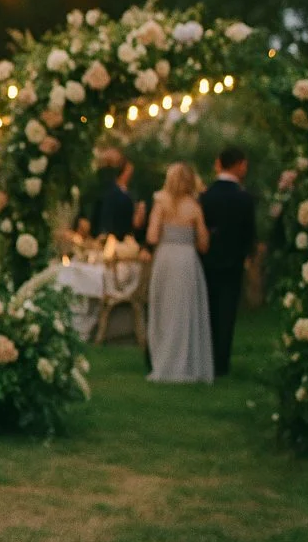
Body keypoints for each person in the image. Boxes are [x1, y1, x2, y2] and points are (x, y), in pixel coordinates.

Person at [146, 162, 214, 383]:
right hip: (186, 260)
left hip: (166, 258)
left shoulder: (160, 203)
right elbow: (204, 244)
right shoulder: (195, 207)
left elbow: (152, 237)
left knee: (164, 310)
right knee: (185, 311)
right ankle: (185, 362)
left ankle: (164, 361)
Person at [199, 147, 257, 377]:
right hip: (233, 263)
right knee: (227, 312)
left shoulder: (206, 196)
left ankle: (207, 357)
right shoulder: (244, 198)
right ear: (239, 164)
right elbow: (249, 233)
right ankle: (221, 362)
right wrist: (246, 256)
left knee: (209, 309)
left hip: (208, 261)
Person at [92, 157, 136, 239]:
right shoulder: (111, 190)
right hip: (111, 235)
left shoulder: (128, 193)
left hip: (123, 235)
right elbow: (106, 212)